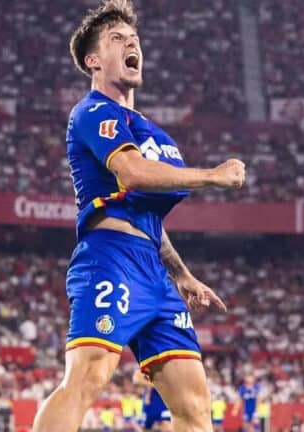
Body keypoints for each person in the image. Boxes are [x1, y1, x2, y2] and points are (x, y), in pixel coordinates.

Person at [31, 1, 246, 431]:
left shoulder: (149, 128)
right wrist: (212, 176)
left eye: (134, 39)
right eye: (117, 38)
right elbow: (132, 175)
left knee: (195, 408)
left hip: (153, 268)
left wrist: (181, 275)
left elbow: (149, 216)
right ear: (93, 60)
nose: (131, 43)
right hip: (110, 257)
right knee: (86, 380)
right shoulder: (93, 111)